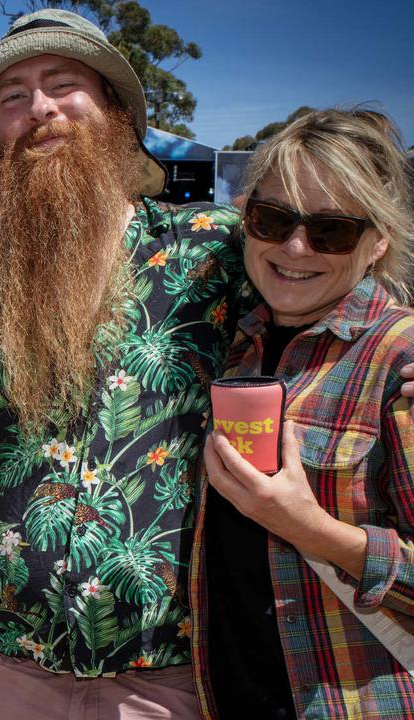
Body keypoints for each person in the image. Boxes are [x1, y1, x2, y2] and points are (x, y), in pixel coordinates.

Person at [0, 10, 250, 717]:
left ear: (114, 109)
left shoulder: (210, 249)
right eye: (12, 96)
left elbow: (328, 326)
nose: (40, 107)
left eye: (62, 84)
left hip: (173, 672)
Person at [193, 109, 414, 719]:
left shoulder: (400, 361)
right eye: (273, 219)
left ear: (379, 242)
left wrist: (310, 529)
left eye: (332, 231)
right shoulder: (234, 347)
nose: (294, 247)